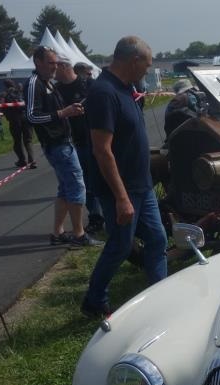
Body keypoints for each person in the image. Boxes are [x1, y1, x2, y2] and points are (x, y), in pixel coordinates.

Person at [81, 36, 166, 319]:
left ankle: (162, 297)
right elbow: (102, 150)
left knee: (157, 240)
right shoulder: (104, 93)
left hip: (141, 185)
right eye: (147, 64)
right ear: (133, 61)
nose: (147, 70)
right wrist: (121, 198)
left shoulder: (126, 88)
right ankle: (94, 301)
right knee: (119, 246)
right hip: (122, 190)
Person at [26, 46, 100, 247]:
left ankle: (58, 232)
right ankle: (79, 234)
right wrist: (63, 113)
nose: (55, 67)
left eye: (57, 63)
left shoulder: (48, 83)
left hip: (64, 142)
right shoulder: (34, 84)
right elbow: (32, 116)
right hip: (57, 144)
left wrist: (68, 112)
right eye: (51, 63)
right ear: (38, 62)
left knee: (65, 189)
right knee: (77, 186)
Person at [56, 58, 104, 234]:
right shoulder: (57, 90)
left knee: (103, 177)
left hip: (95, 139)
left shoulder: (89, 85)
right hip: (72, 142)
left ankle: (113, 213)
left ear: (64, 67)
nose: (54, 71)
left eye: (56, 66)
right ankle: (95, 217)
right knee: (85, 183)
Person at [1, 79, 35, 168]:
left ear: (5, 86)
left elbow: (2, 107)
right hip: (26, 118)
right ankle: (32, 160)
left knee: (17, 141)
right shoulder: (21, 92)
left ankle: (22, 160)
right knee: (28, 140)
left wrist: (7, 116)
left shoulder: (4, 94)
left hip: (14, 120)